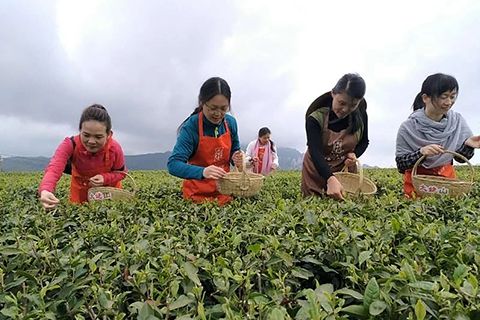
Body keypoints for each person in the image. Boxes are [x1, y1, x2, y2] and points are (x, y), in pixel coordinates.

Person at [395, 73, 480, 198]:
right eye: (443, 97)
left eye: (452, 97)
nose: (448, 102)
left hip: (446, 184)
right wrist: (421, 152)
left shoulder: (457, 122)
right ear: (425, 98)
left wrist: (467, 145)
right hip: (417, 186)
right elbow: (401, 165)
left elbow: (461, 159)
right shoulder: (408, 127)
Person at [167, 77, 243, 205]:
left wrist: (236, 158)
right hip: (197, 197)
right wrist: (202, 172)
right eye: (213, 108)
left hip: (225, 193)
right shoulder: (192, 126)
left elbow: (234, 151)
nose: (218, 114)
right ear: (202, 103)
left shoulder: (230, 123)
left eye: (223, 108)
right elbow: (173, 164)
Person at [39, 104, 127, 208]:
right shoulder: (70, 144)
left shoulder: (114, 148)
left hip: (110, 196)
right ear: (80, 131)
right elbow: (54, 168)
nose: (91, 141)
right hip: (80, 195)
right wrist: (46, 190)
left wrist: (105, 178)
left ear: (108, 135)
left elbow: (121, 174)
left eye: (98, 137)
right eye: (86, 135)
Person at [301, 73, 369, 200]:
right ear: (333, 94)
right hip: (316, 171)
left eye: (353, 105)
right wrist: (330, 179)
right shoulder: (316, 119)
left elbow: (364, 142)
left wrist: (354, 155)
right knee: (314, 207)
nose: (345, 109)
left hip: (344, 172)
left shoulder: (360, 115)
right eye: (342, 103)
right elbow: (315, 153)